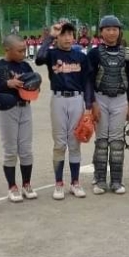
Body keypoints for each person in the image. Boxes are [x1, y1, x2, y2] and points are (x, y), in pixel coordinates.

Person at [36, 22, 93, 200]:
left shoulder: (80, 57)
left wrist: (88, 106)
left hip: (77, 99)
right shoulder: (52, 54)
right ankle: (59, 183)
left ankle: (75, 182)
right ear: (58, 37)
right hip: (58, 99)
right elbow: (39, 58)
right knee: (60, 143)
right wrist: (50, 37)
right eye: (63, 34)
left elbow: (87, 82)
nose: (68, 38)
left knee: (75, 142)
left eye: (70, 34)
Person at [87, 15, 129, 195]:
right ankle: (100, 179)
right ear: (101, 32)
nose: (111, 32)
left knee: (116, 141)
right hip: (100, 98)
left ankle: (116, 180)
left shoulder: (127, 53)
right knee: (101, 140)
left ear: (119, 31)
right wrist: (92, 103)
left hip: (120, 99)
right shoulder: (94, 53)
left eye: (115, 29)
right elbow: (89, 80)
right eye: (107, 29)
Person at [0, 35, 39, 202]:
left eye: (24, 50)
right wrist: (7, 84)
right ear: (8, 50)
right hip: (8, 110)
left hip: (25, 108)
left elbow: (34, 85)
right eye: (20, 51)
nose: (23, 53)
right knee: (10, 149)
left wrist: (35, 86)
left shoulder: (25, 66)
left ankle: (26, 184)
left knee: (26, 149)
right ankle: (12, 186)